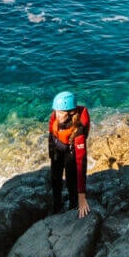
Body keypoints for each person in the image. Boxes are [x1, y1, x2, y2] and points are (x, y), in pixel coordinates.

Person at [47, 90, 90, 218]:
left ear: (71, 112)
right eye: (57, 111)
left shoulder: (78, 132)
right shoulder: (55, 115)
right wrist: (52, 154)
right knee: (55, 179)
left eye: (61, 112)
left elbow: (81, 165)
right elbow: (51, 135)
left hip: (71, 153)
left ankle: (74, 204)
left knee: (72, 181)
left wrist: (82, 196)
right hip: (57, 149)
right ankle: (57, 206)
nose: (57, 115)